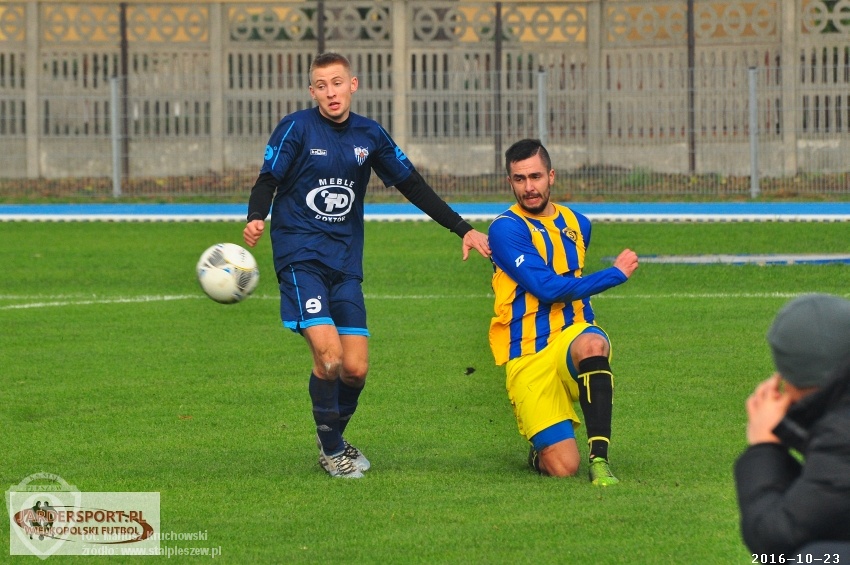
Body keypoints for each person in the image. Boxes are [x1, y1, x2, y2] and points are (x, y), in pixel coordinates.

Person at [243, 52, 491, 479]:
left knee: (355, 370)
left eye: (337, 83)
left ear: (353, 84)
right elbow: (269, 178)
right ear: (312, 91)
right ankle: (333, 451)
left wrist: (462, 229)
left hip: (344, 262)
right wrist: (256, 215)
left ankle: (332, 440)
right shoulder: (296, 128)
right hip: (300, 256)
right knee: (330, 358)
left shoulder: (369, 134)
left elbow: (412, 185)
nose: (331, 92)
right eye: (322, 86)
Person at [487, 139, 638, 484]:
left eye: (536, 177)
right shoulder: (505, 229)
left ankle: (600, 460)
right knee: (562, 468)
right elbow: (546, 287)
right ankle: (542, 451)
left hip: (571, 336)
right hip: (527, 353)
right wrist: (614, 275)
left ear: (551, 176)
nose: (529, 187)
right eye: (520, 179)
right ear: (509, 182)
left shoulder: (578, 223)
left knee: (592, 345)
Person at [735, 293, 850, 557]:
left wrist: (764, 446)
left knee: (816, 557)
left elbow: (772, 540)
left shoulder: (841, 439)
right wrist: (790, 430)